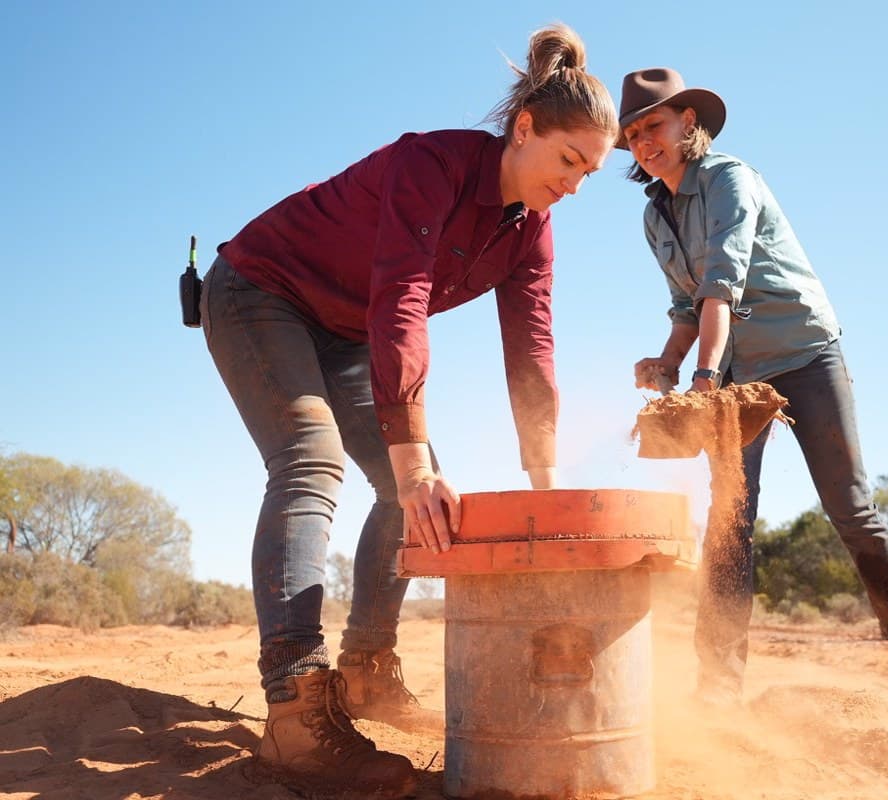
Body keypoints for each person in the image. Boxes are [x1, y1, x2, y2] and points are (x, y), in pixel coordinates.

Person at [200, 25, 617, 795]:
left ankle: (367, 669)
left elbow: (533, 352)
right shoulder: (433, 164)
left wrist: (544, 482)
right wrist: (412, 459)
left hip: (346, 329)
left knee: (420, 494)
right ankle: (295, 705)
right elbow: (402, 303)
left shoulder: (534, 233)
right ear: (524, 129)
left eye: (591, 171)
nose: (576, 184)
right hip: (260, 291)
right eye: (568, 160)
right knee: (314, 458)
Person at [618, 67, 888, 705]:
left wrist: (699, 380)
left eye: (654, 126)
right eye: (633, 133)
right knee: (727, 526)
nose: (643, 142)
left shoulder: (729, 180)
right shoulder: (653, 216)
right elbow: (687, 304)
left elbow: (724, 282)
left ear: (688, 123)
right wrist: (666, 362)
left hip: (804, 355)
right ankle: (717, 692)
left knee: (853, 513)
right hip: (733, 373)